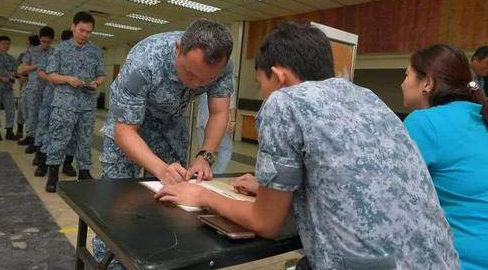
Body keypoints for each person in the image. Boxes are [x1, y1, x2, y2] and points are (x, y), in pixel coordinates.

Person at [155, 22, 459, 269]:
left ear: (278, 76)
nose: (264, 94)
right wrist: (268, 189)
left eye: (261, 84)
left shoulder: (284, 102)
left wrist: (202, 195)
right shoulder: (365, 96)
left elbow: (265, 223)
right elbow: (348, 175)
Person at [93, 18, 234, 268]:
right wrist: (159, 168)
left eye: (206, 81)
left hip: (169, 125)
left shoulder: (222, 64)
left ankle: (160, 254)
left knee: (173, 200)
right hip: (127, 123)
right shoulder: (144, 60)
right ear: (178, 49)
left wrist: (205, 156)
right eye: (190, 73)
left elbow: (220, 112)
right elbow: (125, 130)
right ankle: (109, 262)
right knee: (116, 205)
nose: (196, 84)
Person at [401, 44, 488, 270]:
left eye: (406, 75)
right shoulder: (479, 114)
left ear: (427, 83)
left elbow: (390, 199)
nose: (402, 83)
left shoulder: (424, 122)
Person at [45, 11, 105, 192]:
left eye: (88, 32)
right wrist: (68, 79)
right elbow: (51, 75)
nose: (84, 35)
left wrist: (95, 83)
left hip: (87, 104)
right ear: (73, 27)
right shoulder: (60, 49)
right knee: (58, 139)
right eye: (81, 30)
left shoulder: (96, 51)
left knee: (85, 140)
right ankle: (53, 175)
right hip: (65, 103)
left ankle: (84, 172)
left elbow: (101, 75)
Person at [34, 30, 77, 178]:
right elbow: (41, 72)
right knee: (49, 129)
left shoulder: (81, 56)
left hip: (73, 101)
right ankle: (42, 159)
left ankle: (67, 163)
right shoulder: (53, 53)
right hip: (52, 97)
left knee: (72, 134)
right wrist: (54, 80)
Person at [19, 27, 55, 157]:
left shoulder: (55, 52)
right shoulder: (31, 51)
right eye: (44, 41)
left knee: (45, 118)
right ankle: (32, 139)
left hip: (48, 89)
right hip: (33, 89)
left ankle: (41, 143)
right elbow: (23, 69)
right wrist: (38, 65)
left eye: (48, 42)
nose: (46, 44)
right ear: (40, 39)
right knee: (31, 115)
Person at [195, 79, 237, 174]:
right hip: (219, 122)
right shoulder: (227, 78)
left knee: (202, 150)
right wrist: (232, 120)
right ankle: (217, 173)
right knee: (226, 148)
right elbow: (231, 102)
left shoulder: (204, 77)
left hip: (202, 120)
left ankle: (201, 172)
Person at [17, 35, 40, 141]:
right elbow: (20, 70)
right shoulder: (25, 54)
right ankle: (29, 134)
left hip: (30, 85)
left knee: (27, 110)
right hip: (31, 84)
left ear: (30, 43)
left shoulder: (29, 52)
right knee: (30, 111)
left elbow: (22, 70)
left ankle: (30, 135)